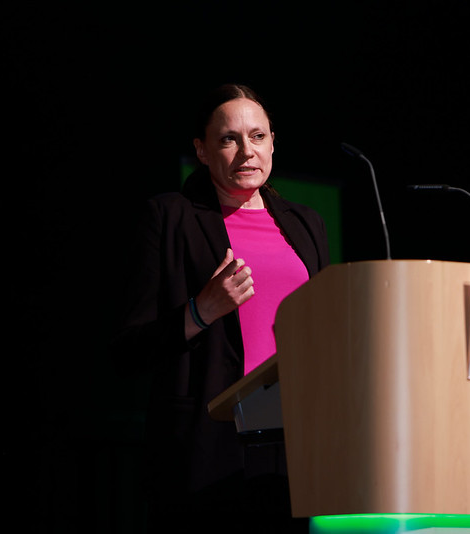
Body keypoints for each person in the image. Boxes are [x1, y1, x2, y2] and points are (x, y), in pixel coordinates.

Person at [110, 83, 329, 533]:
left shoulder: (306, 224)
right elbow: (127, 348)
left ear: (272, 142)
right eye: (229, 138)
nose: (247, 151)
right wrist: (200, 310)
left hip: (295, 444)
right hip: (207, 445)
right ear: (203, 151)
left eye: (258, 136)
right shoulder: (170, 217)